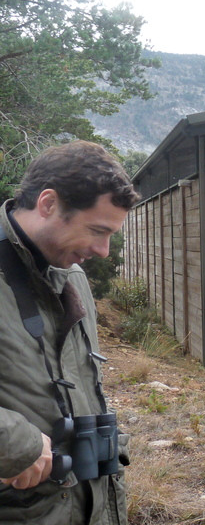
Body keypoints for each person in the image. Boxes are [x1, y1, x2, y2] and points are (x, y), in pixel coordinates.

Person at [0, 140, 139, 524]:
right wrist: (12, 441)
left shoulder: (73, 277)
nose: (104, 251)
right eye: (97, 230)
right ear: (48, 204)